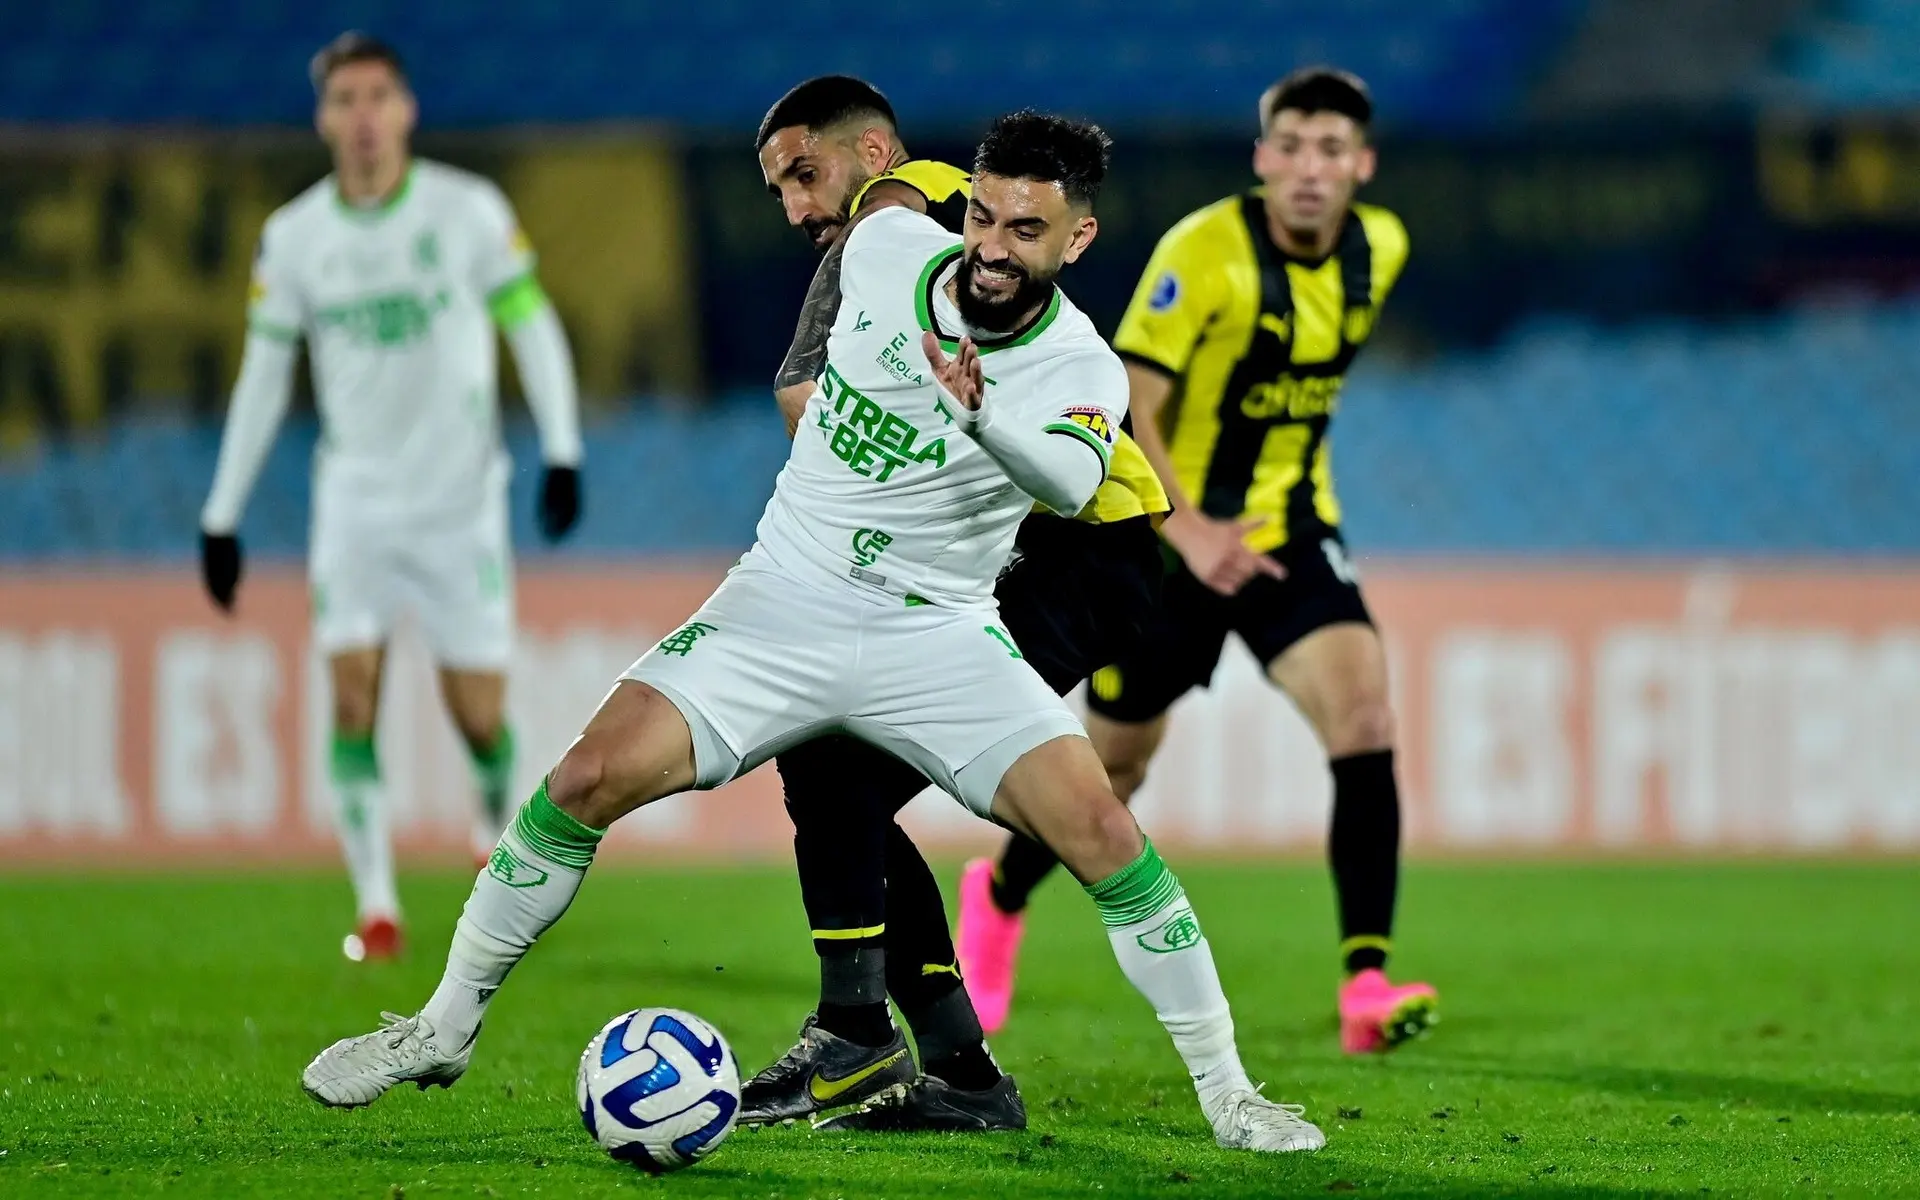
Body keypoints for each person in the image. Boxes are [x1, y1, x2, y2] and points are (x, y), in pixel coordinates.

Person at [300, 110, 1324, 1155]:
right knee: (584, 782)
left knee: (1106, 837)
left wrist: (975, 416)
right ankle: (439, 1029)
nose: (995, 249)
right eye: (983, 217)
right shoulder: (884, 251)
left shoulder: (1079, 368)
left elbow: (1067, 475)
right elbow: (850, 248)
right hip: (784, 600)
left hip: (939, 632)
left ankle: (1228, 1093)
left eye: (1028, 231)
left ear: (1076, 243)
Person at [955, 67, 1439, 1056]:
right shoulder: (1205, 253)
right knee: (1116, 773)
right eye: (1292, 147)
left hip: (1289, 532)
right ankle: (999, 894)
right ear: (1263, 159)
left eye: (1331, 150)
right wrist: (1189, 528)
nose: (1311, 169)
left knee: (1365, 713)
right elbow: (1131, 404)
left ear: (1363, 165)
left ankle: (1366, 985)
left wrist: (1256, 519)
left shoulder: (1379, 248)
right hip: (1170, 545)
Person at [742, 77, 1166, 1132]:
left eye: (805, 174)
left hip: (1073, 551)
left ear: (872, 155)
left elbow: (807, 403)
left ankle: (865, 1039)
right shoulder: (917, 212)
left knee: (833, 768)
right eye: (780, 188)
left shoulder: (888, 224)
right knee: (834, 773)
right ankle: (949, 1069)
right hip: (1032, 545)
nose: (796, 206)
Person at [198, 32, 584, 960]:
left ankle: (494, 846)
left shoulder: (467, 212)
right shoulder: (296, 238)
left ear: (405, 109)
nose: (364, 116)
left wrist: (563, 448)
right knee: (352, 699)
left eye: (379, 96)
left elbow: (531, 325)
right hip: (356, 503)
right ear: (325, 119)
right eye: (346, 100)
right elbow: (261, 374)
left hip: (460, 504)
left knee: (479, 720)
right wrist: (221, 513)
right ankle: (376, 909)